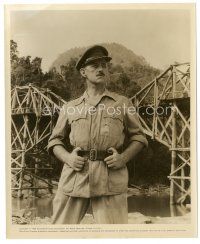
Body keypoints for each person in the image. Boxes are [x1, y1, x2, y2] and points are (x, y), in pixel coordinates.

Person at [47, 45, 148, 224]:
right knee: (59, 233)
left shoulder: (122, 103)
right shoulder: (70, 107)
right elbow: (54, 140)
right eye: (94, 66)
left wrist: (123, 158)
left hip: (110, 179)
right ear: (83, 72)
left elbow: (139, 137)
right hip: (74, 177)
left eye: (104, 65)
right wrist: (68, 158)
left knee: (114, 236)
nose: (101, 69)